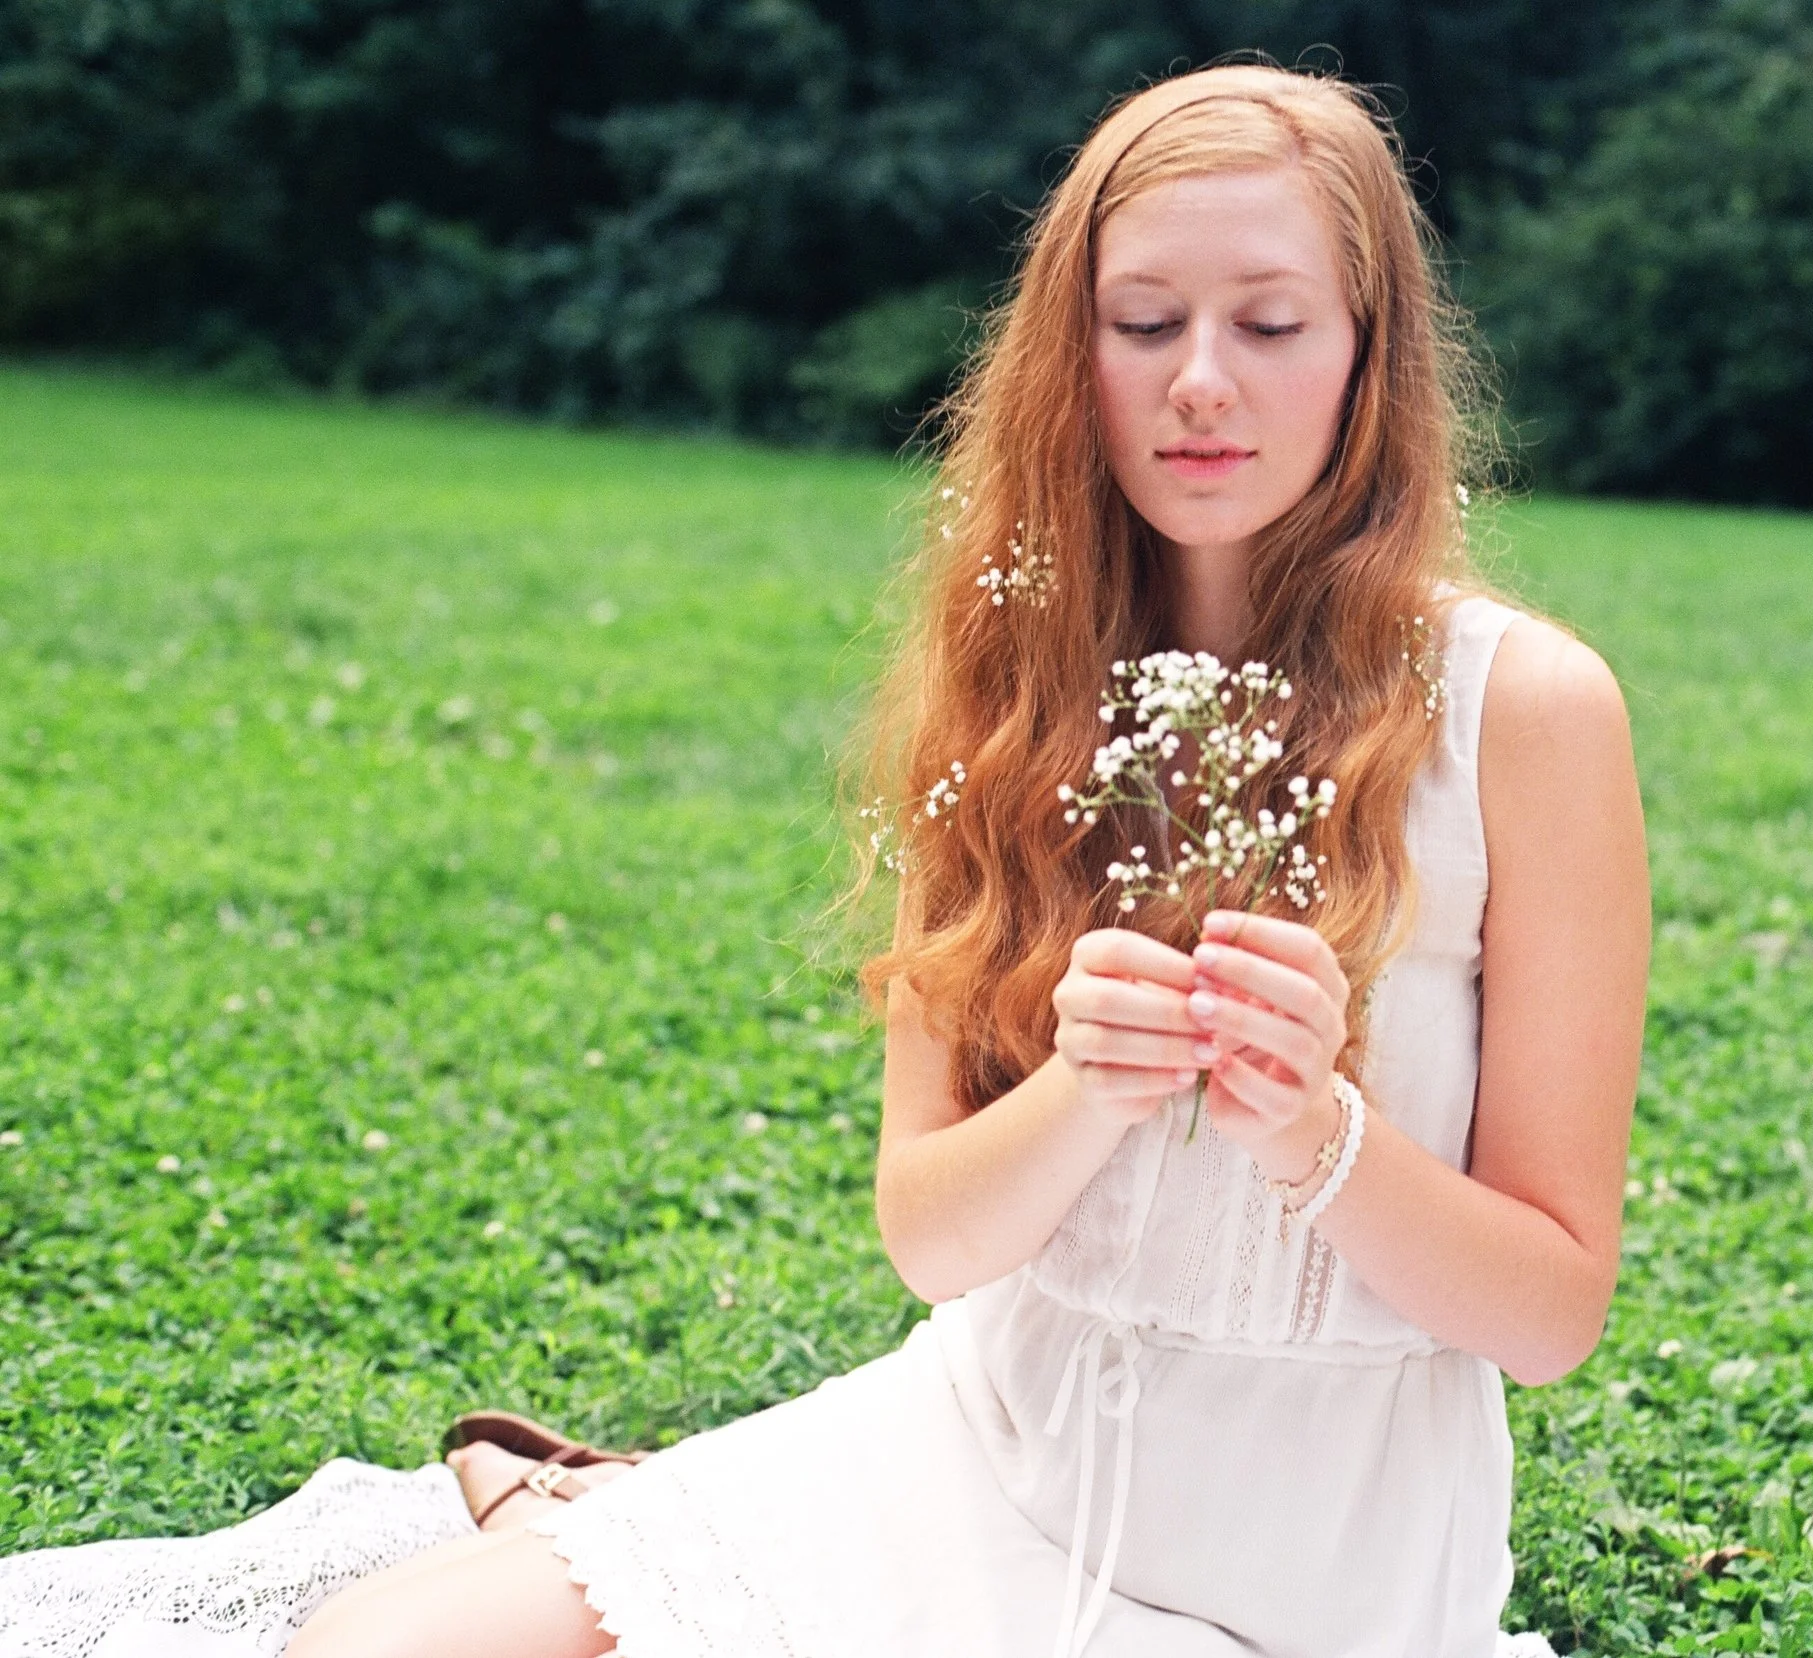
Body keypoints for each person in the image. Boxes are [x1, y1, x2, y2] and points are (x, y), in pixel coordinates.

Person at [5, 62, 1649, 1658]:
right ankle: (603, 1521)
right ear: (1071, 356)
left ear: (1370, 356)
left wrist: (1319, 1133)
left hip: (1308, 1584)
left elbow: (1550, 1310)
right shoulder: (1013, 684)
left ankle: (575, 1505)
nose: (1200, 381)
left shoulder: (1524, 714)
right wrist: (1084, 1083)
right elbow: (933, 1238)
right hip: (974, 1464)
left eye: (1271, 325)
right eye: (1142, 324)